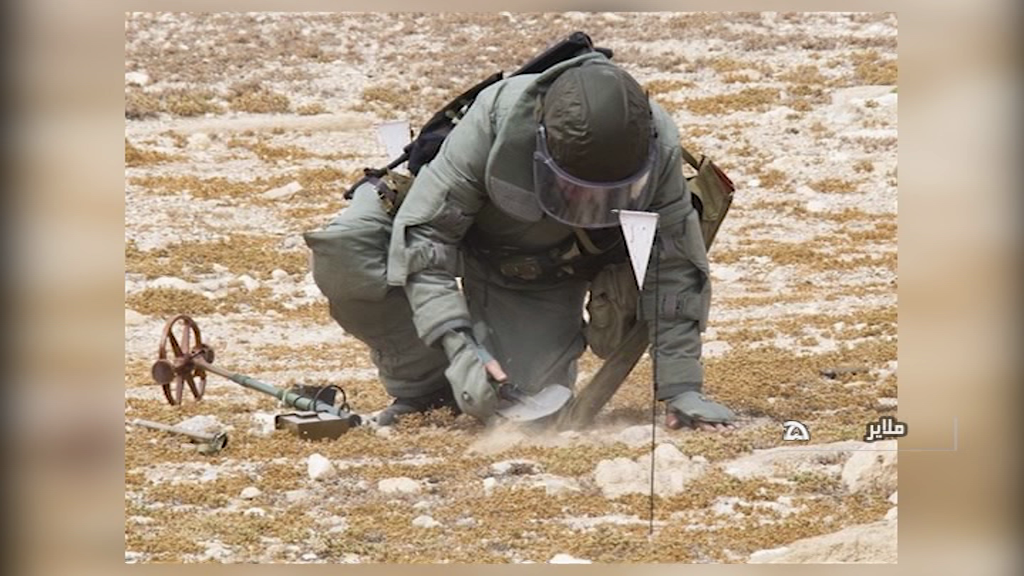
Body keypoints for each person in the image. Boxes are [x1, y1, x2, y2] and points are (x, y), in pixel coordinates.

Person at [305, 49, 736, 431]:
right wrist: (461, 349)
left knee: (522, 407)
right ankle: (425, 389)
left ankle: (477, 378)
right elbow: (428, 238)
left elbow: (675, 265)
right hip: (459, 224)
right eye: (577, 189)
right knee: (351, 248)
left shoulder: (658, 146)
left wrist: (681, 388)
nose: (591, 203)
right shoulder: (495, 120)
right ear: (541, 145)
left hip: (536, 269)